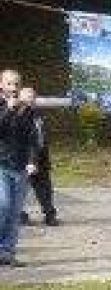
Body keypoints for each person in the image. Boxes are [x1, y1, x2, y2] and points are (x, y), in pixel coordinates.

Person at [0, 69, 35, 268]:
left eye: (16, 84)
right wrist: (8, 109)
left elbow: (31, 138)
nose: (13, 88)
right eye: (9, 84)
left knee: (14, 212)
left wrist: (32, 160)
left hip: (21, 166)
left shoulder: (27, 109)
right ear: (1, 85)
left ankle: (7, 253)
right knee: (3, 205)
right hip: (1, 164)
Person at [17, 86, 56, 227]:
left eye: (31, 99)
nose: (28, 102)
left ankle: (50, 214)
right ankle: (19, 214)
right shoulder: (13, 115)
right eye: (25, 100)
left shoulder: (38, 118)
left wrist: (34, 161)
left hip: (40, 161)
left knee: (44, 190)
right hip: (19, 161)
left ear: (34, 101)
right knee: (18, 190)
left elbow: (40, 140)